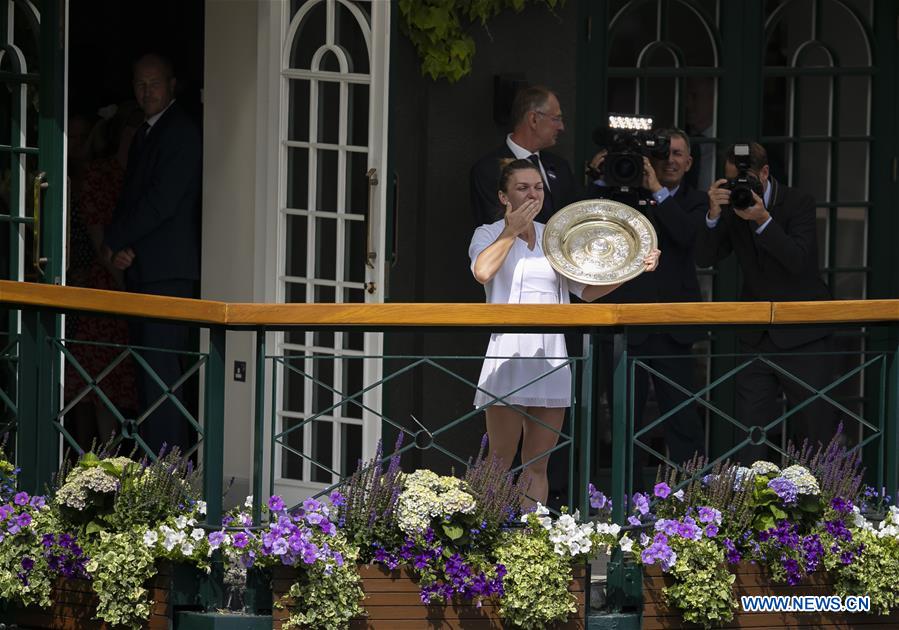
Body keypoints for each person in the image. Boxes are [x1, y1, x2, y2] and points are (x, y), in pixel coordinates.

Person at [470, 159, 660, 506]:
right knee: (498, 458)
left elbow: (585, 290)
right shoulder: (487, 232)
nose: (533, 194)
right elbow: (482, 272)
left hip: (552, 355)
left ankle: (531, 533)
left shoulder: (554, 235)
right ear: (503, 196)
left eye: (538, 187)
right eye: (522, 188)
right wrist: (510, 232)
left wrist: (634, 266)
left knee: (537, 462)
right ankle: (483, 530)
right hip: (508, 352)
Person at [696, 142, 836, 461]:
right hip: (756, 335)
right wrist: (713, 215)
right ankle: (749, 491)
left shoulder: (798, 202)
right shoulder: (732, 205)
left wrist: (763, 219)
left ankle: (825, 491)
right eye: (733, 180)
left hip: (804, 336)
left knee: (815, 427)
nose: (740, 186)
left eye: (746, 179)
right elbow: (704, 258)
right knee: (749, 431)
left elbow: (798, 261)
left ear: (765, 173)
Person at [588, 128, 707, 469]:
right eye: (663, 154)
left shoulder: (695, 200)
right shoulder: (622, 192)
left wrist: (657, 191)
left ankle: (693, 491)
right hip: (628, 326)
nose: (670, 161)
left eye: (677, 154)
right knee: (625, 419)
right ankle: (624, 495)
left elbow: (686, 237)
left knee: (683, 419)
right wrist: (599, 178)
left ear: (689, 162)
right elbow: (586, 222)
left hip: (673, 328)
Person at [103, 53, 202, 455]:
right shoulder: (146, 133)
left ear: (172, 84)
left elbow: (162, 202)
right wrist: (123, 248)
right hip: (144, 268)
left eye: (155, 83)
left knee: (162, 377)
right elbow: (132, 199)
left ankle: (169, 468)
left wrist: (116, 239)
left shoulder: (181, 132)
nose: (147, 92)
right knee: (147, 376)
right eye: (140, 85)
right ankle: (152, 462)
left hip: (168, 273)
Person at [64, 102, 144, 450]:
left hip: (127, 288)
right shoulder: (100, 175)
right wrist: (125, 286)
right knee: (93, 381)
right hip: (100, 288)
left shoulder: (140, 174)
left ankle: (107, 459)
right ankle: (87, 458)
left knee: (113, 381)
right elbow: (99, 239)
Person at [470, 85, 577, 226]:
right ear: (533, 119)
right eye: (556, 119)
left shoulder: (559, 165)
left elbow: (575, 213)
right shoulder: (488, 170)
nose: (561, 127)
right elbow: (497, 225)